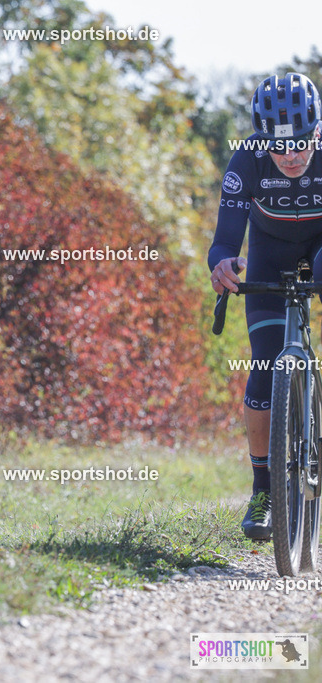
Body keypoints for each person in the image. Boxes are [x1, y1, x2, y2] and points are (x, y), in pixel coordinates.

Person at [208, 72, 322, 540]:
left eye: (299, 144)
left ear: (316, 131)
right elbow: (224, 240)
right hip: (270, 254)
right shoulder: (247, 159)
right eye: (279, 147)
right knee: (265, 363)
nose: (290, 156)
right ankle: (263, 489)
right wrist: (222, 266)